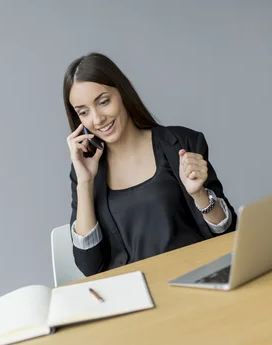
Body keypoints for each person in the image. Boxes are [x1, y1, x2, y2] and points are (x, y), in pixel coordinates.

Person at [63, 52, 238, 277]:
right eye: (84, 112)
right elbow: (90, 267)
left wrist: (200, 195)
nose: (97, 119)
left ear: (123, 93)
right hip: (134, 294)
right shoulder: (85, 171)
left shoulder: (181, 144)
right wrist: (85, 183)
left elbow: (227, 231)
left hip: (196, 279)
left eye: (104, 102)